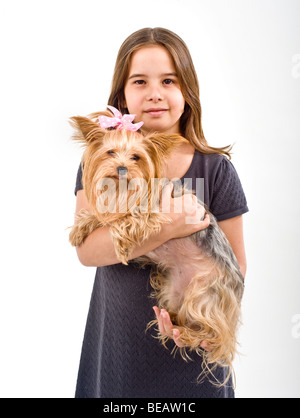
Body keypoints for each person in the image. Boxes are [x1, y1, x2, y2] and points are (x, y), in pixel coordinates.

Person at [72, 27, 248, 398]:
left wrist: (203, 322)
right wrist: (167, 226)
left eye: (168, 80)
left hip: (194, 352)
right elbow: (88, 250)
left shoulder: (215, 169)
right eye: (139, 81)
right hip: (118, 351)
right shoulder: (101, 162)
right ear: (122, 94)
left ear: (187, 92)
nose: (154, 93)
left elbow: (236, 267)